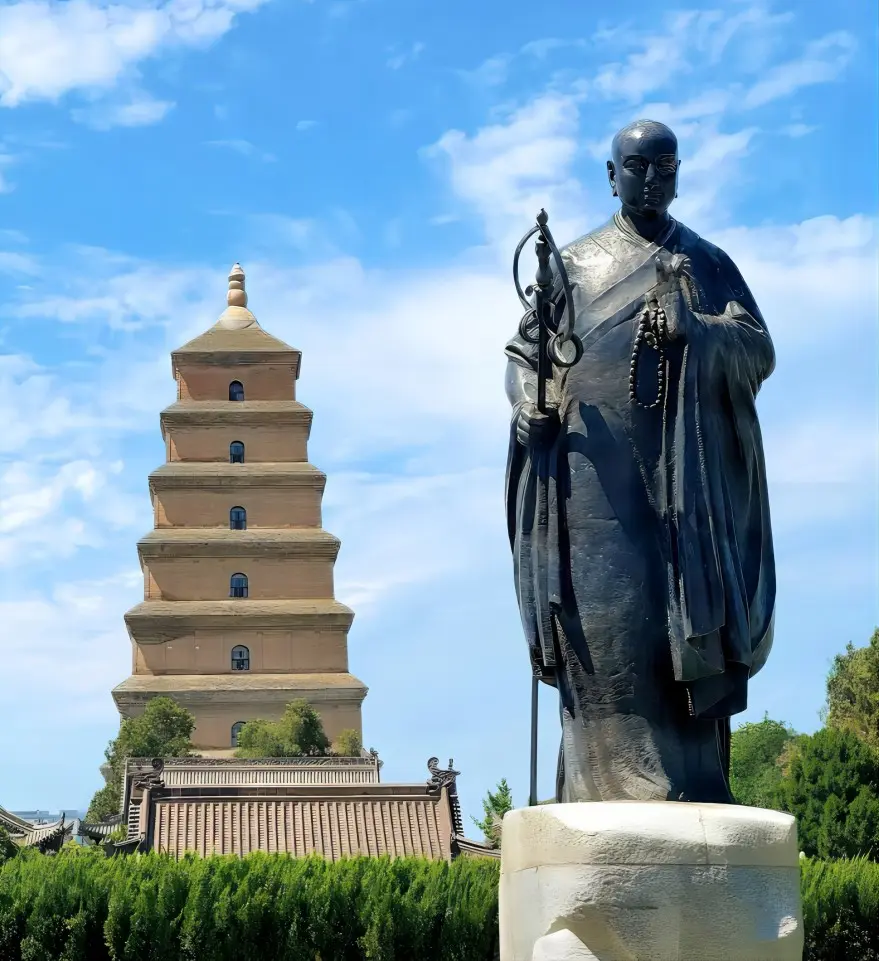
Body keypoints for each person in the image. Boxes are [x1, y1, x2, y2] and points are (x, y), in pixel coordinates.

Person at [505, 119, 776, 803]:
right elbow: (525, 356)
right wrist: (533, 402)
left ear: (678, 172)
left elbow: (757, 348)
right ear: (611, 173)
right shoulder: (569, 264)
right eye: (636, 166)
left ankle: (691, 785)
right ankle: (602, 791)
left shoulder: (707, 263)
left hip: (685, 482)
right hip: (590, 479)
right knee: (604, 629)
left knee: (680, 628)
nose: (651, 178)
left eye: (664, 165)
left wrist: (701, 332)